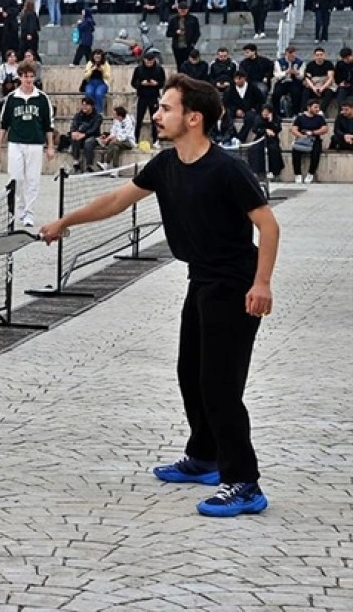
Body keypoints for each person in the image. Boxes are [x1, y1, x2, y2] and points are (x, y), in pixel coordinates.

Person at [40, 73, 279, 518]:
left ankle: (244, 482)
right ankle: (204, 457)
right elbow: (116, 200)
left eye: (166, 108)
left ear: (194, 118)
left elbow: (268, 225)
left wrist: (261, 283)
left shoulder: (227, 169)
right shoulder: (166, 166)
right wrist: (64, 221)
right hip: (201, 279)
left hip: (235, 284)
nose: (157, 113)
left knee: (220, 385)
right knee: (191, 373)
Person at [0, 61, 55, 227]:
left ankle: (29, 213)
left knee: (33, 180)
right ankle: (20, 206)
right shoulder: (12, 98)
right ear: (20, 77)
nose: (29, 80)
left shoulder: (42, 98)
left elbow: (48, 124)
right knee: (16, 178)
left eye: (31, 76)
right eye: (25, 76)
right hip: (15, 142)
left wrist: (50, 146)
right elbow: (3, 123)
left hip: (35, 143)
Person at [290, 98, 328, 184]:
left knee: (316, 153)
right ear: (309, 107)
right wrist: (302, 136)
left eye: (318, 107)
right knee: (295, 152)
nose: (317, 109)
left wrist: (313, 132)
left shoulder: (319, 118)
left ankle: (311, 173)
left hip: (314, 139)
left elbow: (325, 129)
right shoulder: (300, 118)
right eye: (315, 107)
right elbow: (294, 129)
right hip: (302, 139)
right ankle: (297, 174)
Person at [99, 106, 136, 170]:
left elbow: (124, 136)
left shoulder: (129, 121)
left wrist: (116, 139)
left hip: (128, 141)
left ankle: (106, 163)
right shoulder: (116, 120)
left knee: (113, 143)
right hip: (118, 142)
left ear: (120, 116)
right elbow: (113, 132)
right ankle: (115, 169)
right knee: (116, 148)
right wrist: (107, 139)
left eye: (114, 114)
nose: (113, 116)